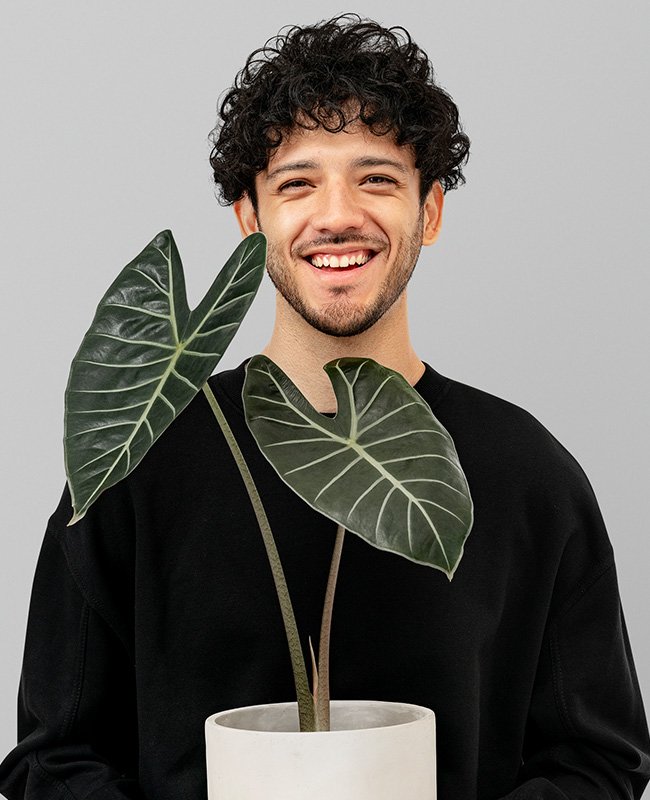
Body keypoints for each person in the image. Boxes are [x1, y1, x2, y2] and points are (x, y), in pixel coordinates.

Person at [1, 14, 649, 800]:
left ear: (431, 212)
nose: (337, 214)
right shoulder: (136, 458)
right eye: (297, 183)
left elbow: (598, 760)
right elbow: (53, 760)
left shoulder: (526, 473)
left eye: (376, 179)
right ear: (250, 219)